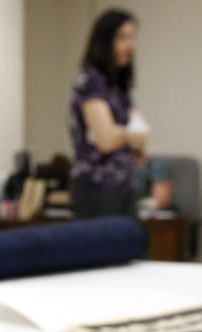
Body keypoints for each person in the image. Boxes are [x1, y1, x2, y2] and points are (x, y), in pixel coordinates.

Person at [68, 9, 149, 219]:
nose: (130, 45)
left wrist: (124, 135)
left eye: (133, 37)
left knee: (129, 249)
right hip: (96, 188)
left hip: (124, 186)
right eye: (122, 37)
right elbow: (106, 140)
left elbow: (140, 139)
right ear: (104, 41)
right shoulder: (90, 82)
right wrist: (127, 136)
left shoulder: (119, 88)